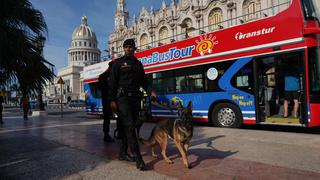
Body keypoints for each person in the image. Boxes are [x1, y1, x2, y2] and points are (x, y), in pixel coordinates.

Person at [109, 39, 150, 171]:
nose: (128, 49)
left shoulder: (139, 65)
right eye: (126, 47)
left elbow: (144, 82)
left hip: (135, 99)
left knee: (130, 127)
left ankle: (122, 152)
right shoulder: (118, 64)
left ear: (134, 48)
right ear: (124, 49)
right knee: (130, 127)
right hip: (123, 99)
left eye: (131, 47)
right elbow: (112, 84)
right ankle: (138, 158)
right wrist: (112, 100)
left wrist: (151, 91)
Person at [98, 61, 115, 142]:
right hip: (109, 100)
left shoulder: (103, 76)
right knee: (108, 117)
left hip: (109, 99)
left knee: (107, 117)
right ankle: (107, 134)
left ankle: (107, 134)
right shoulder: (105, 76)